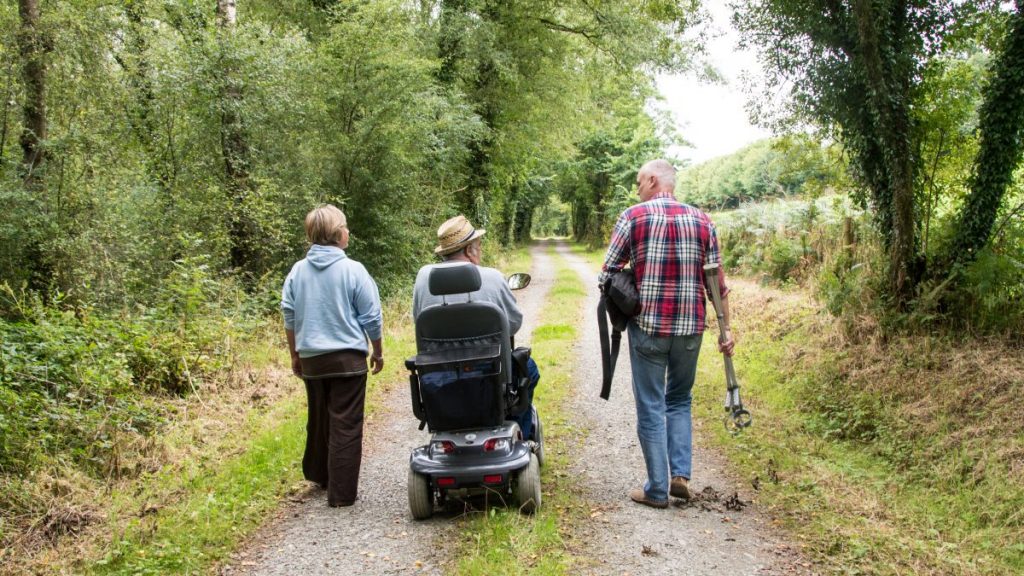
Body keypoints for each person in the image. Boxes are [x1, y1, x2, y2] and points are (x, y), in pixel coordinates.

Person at [599, 159, 736, 509]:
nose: (637, 189)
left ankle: (657, 489)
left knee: (650, 404)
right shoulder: (704, 221)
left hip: (648, 328)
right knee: (679, 400)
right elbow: (717, 286)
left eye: (639, 182)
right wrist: (727, 330)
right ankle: (681, 475)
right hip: (691, 330)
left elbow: (608, 274)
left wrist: (631, 292)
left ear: (653, 180)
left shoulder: (633, 217)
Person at [281, 204, 384, 507]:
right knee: (346, 424)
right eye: (346, 227)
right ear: (339, 235)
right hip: (347, 360)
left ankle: (320, 475)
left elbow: (289, 314)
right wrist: (377, 352)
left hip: (312, 358)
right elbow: (372, 318)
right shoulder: (353, 270)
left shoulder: (298, 271)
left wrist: (295, 355)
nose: (348, 231)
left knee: (320, 418)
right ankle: (340, 494)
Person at [412, 215, 541, 440]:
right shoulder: (493, 277)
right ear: (470, 250)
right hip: (490, 376)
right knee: (529, 369)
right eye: (479, 247)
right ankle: (522, 433)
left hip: (440, 378)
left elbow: (418, 322)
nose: (479, 252)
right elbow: (513, 324)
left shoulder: (424, 278)